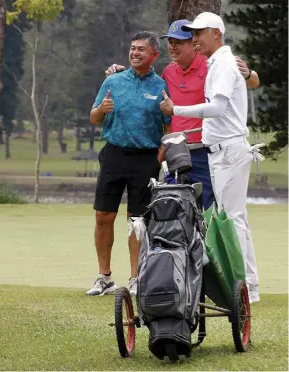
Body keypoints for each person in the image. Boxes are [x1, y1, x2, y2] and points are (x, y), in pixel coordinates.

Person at [159, 12, 261, 303]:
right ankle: (249, 287)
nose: (195, 39)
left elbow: (216, 108)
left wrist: (176, 110)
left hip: (227, 150)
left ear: (216, 33)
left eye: (199, 33)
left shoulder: (224, 64)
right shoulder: (221, 62)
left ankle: (240, 286)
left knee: (232, 220)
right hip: (223, 150)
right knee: (237, 218)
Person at [104, 19, 260, 210]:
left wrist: (248, 73)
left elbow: (253, 81)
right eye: (170, 42)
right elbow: (145, 88)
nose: (173, 47)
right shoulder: (169, 72)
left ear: (193, 44)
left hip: (203, 148)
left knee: (208, 208)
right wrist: (119, 72)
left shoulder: (212, 64)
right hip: (176, 150)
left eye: (179, 42)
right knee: (176, 210)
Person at [85, 31, 171, 297]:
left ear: (154, 55)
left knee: (138, 221)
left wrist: (158, 158)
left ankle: (136, 278)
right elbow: (94, 118)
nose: (135, 53)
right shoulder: (113, 80)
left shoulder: (160, 86)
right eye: (133, 49)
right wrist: (102, 110)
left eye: (141, 50)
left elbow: (169, 127)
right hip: (114, 154)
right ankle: (104, 277)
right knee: (103, 216)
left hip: (145, 158)